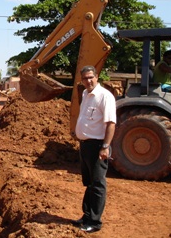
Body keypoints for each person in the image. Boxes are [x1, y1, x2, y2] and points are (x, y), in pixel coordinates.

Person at [73, 65, 117, 233]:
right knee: (89, 183)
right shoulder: (85, 93)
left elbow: (111, 124)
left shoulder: (105, 96)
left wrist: (105, 147)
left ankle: (95, 221)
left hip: (98, 146)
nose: (88, 81)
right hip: (85, 145)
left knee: (98, 183)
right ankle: (87, 215)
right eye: (85, 78)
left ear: (97, 77)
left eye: (91, 77)